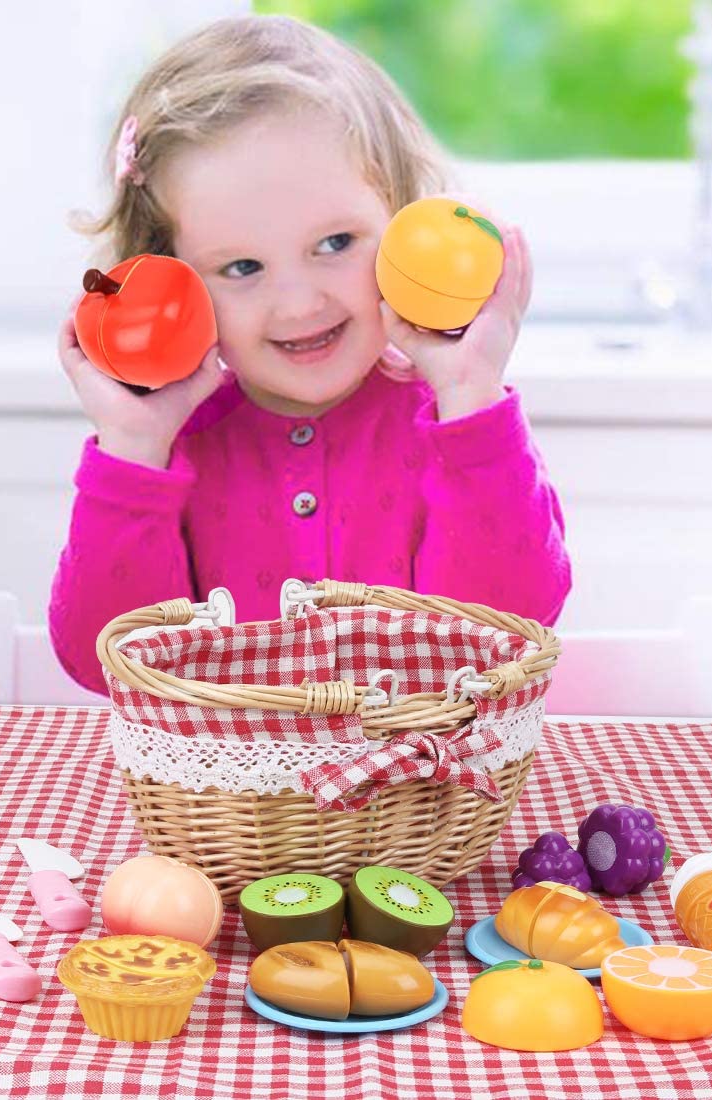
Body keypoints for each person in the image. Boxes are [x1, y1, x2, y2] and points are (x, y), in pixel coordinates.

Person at [49, 14, 571, 694]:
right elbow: (103, 664)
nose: (299, 304)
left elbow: (503, 636)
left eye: (335, 244)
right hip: (222, 803)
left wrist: (472, 397)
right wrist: (133, 448)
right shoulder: (172, 445)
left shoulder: (452, 425)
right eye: (241, 267)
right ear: (167, 278)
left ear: (405, 223)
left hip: (418, 801)